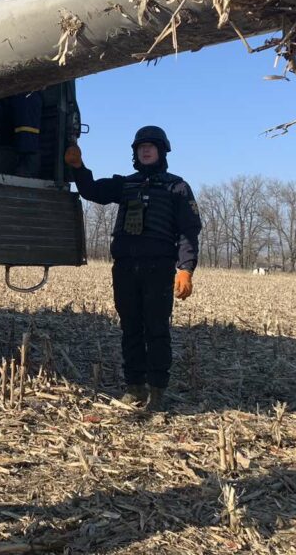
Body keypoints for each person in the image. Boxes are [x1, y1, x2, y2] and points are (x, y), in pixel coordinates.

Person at [64, 126, 201, 412]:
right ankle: (134, 387)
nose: (146, 150)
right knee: (130, 329)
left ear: (162, 151)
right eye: (141, 147)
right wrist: (78, 167)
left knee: (157, 329)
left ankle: (157, 392)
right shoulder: (125, 184)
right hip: (125, 269)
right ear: (135, 153)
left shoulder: (177, 187)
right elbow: (92, 191)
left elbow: (189, 231)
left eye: (151, 146)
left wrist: (185, 268)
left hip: (158, 269)